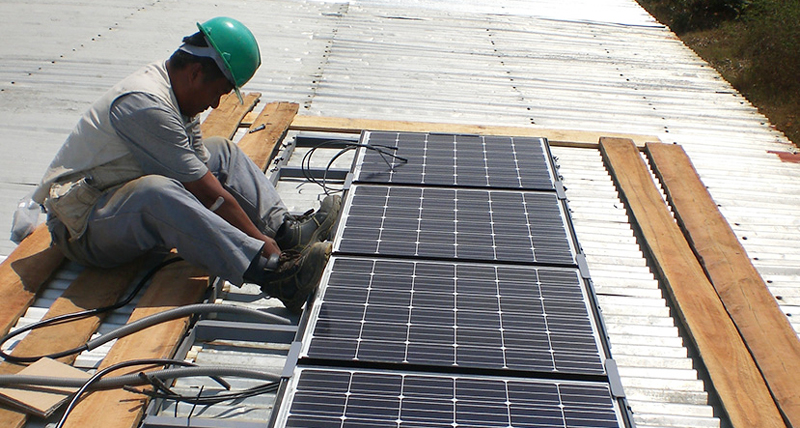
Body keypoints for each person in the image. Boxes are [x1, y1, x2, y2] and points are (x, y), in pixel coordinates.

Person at [30, 17, 340, 313]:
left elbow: (205, 170)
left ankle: (287, 234)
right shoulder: (145, 103)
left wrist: (263, 232)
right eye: (218, 91)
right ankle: (274, 275)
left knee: (221, 150)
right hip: (82, 230)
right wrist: (258, 242)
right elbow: (206, 193)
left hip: (115, 205)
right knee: (157, 193)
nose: (217, 104)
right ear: (194, 72)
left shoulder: (177, 96)